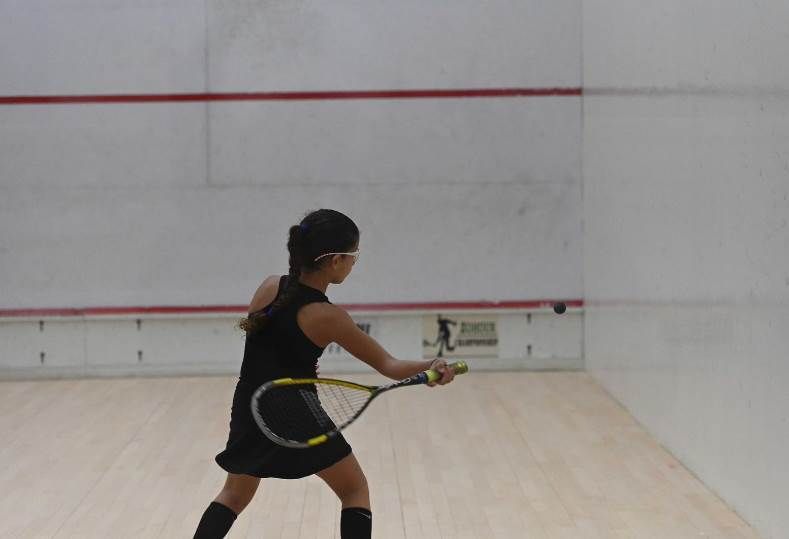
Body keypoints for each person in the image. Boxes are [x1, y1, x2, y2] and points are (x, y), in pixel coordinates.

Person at [193, 209, 455, 538]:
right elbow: (389, 366)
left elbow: (268, 352)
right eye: (353, 256)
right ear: (334, 261)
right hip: (295, 413)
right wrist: (431, 365)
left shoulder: (269, 287)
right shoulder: (328, 316)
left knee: (233, 494)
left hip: (249, 406)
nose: (354, 263)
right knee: (354, 489)